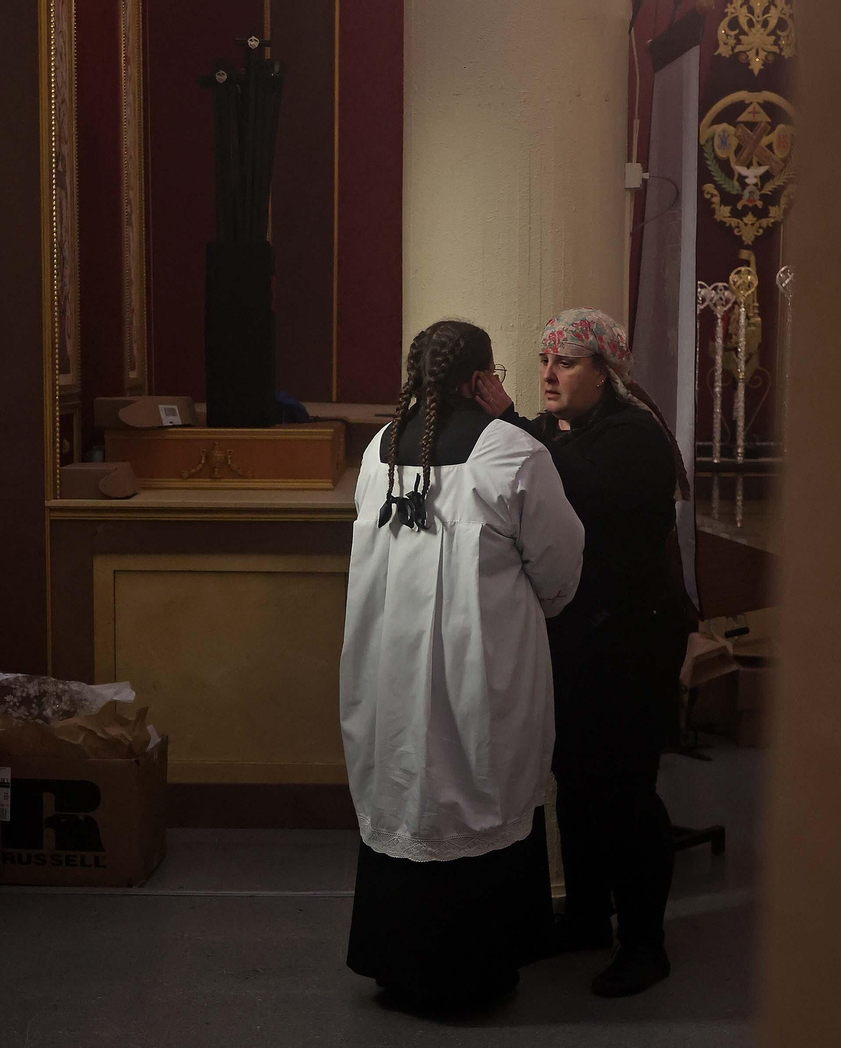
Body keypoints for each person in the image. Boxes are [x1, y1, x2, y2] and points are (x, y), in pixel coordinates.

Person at [340, 319, 586, 1003]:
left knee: (407, 784)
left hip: (390, 661)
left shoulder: (379, 449)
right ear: (482, 378)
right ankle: (473, 971)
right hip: (479, 659)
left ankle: (398, 963)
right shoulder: (509, 451)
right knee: (479, 776)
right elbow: (561, 561)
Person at [473, 307, 697, 998]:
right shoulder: (562, 431)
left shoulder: (634, 437)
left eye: (565, 362)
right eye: (543, 361)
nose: (548, 374)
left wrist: (508, 419)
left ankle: (644, 944)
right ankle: (587, 921)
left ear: (605, 372)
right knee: (575, 783)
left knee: (625, 794)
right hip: (582, 636)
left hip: (636, 638)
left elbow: (572, 482)